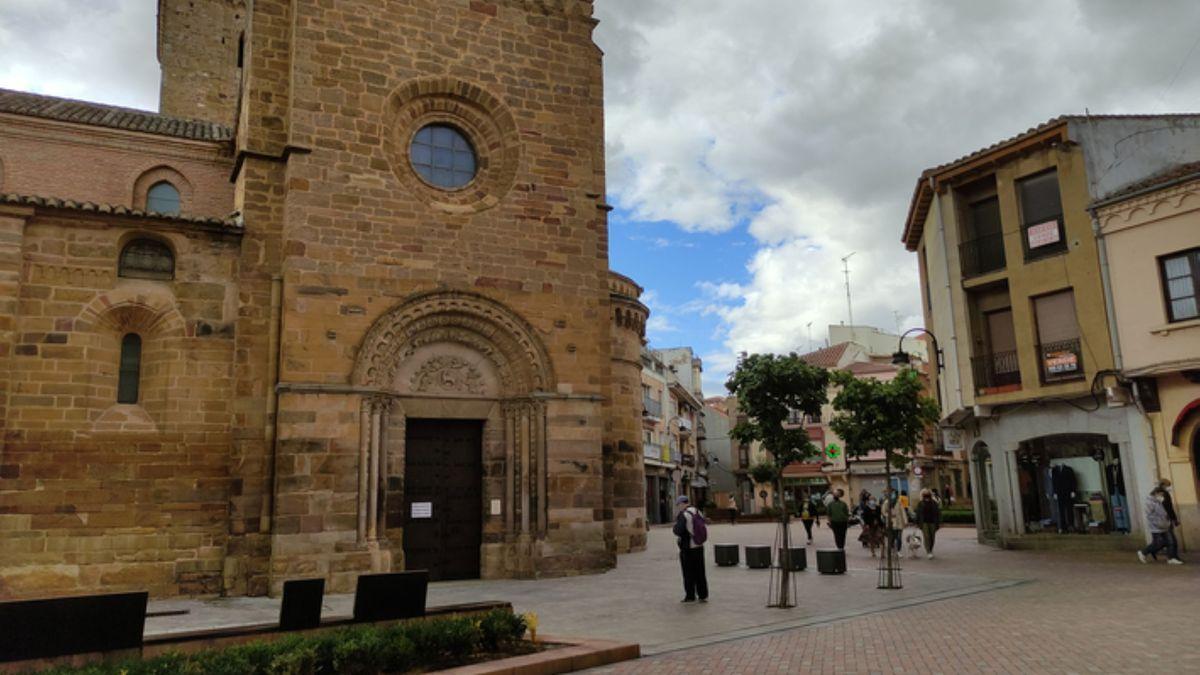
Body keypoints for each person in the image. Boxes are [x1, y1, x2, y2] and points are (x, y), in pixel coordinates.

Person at [672, 495, 710, 601]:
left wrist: (674, 527)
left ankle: (690, 595)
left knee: (688, 573)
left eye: (678, 505)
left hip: (687, 548)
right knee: (700, 572)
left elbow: (678, 530)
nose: (678, 507)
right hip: (699, 546)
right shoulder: (698, 511)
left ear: (682, 503)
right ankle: (703, 595)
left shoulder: (684, 514)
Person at [1138, 487, 1183, 565]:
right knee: (1162, 542)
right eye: (1161, 494)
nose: (1162, 496)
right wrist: (1159, 522)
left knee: (1169, 541)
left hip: (1164, 524)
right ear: (1156, 493)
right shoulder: (1150, 502)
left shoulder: (1157, 501)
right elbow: (1150, 515)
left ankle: (1171, 558)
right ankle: (1143, 552)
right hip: (1157, 526)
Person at [914, 488, 941, 559]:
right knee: (927, 537)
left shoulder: (934, 503)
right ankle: (928, 551)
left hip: (932, 522)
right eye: (925, 494)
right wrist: (917, 522)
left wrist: (938, 523)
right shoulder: (920, 503)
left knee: (932, 537)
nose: (926, 495)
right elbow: (918, 514)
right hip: (924, 522)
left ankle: (931, 549)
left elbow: (938, 513)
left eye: (927, 494)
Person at [884, 488, 909, 557]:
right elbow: (883, 512)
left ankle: (898, 551)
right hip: (891, 522)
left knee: (899, 538)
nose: (893, 495)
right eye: (892, 493)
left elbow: (903, 512)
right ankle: (892, 550)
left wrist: (905, 521)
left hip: (899, 522)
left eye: (894, 493)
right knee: (892, 537)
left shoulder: (899, 502)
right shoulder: (886, 502)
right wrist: (889, 515)